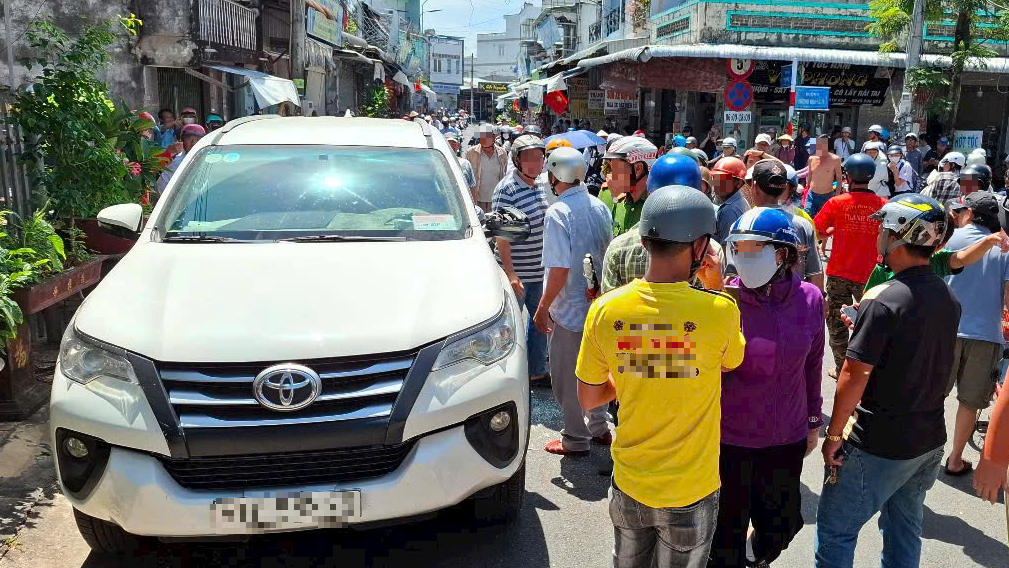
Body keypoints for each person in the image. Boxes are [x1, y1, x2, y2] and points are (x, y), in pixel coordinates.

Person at [576, 185, 745, 568]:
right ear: (701, 246)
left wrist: (635, 370)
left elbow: (588, 399)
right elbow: (730, 361)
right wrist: (716, 287)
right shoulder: (719, 310)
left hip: (631, 483)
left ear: (644, 238)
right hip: (691, 488)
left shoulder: (605, 309)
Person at [816, 194, 959, 568]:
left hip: (878, 442)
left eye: (883, 227)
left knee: (836, 533)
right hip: (928, 438)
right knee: (903, 530)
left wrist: (833, 438)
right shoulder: (946, 295)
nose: (878, 235)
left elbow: (853, 375)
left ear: (899, 234)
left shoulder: (883, 301)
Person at [711, 207, 824, 568]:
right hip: (728, 440)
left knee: (782, 526)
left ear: (782, 254)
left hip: (785, 438)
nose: (743, 256)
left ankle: (759, 555)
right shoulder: (721, 301)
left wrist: (812, 422)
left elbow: (814, 364)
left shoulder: (810, 299)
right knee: (724, 535)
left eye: (753, 247)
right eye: (737, 247)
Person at [533, 146, 612, 456]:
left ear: (555, 177)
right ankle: (599, 428)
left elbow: (560, 268)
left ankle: (575, 439)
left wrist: (542, 308)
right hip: (598, 306)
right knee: (598, 370)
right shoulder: (598, 205)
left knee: (567, 378)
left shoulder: (557, 213)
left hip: (568, 310)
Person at [942, 191, 1009, 478]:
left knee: (931, 396)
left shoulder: (949, 241)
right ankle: (955, 459)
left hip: (943, 331)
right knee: (969, 403)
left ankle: (922, 455)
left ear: (968, 213)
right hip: (986, 336)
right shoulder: (1005, 248)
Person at [601, 154, 725, 295]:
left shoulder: (618, 248)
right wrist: (716, 285)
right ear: (698, 194)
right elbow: (718, 311)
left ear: (649, 193)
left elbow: (610, 307)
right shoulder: (710, 253)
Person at [814, 153, 888, 378]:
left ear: (847, 176)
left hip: (839, 273)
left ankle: (841, 369)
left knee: (837, 324)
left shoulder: (837, 203)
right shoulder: (883, 205)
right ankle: (869, 371)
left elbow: (816, 229)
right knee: (872, 325)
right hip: (872, 276)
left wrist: (832, 231)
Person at [492, 135, 551, 384]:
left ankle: (536, 370)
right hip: (517, 271)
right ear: (517, 160)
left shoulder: (539, 184)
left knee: (539, 323)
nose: (536, 162)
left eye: (539, 157)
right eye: (529, 157)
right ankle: (507, 377)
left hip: (539, 269)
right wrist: (511, 274)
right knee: (509, 328)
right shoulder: (507, 190)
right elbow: (502, 238)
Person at [725, 160, 824, 291]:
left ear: (754, 186)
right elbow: (815, 274)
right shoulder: (803, 225)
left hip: (753, 306)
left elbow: (733, 277)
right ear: (784, 188)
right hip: (792, 303)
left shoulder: (743, 223)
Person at [601, 136, 659, 237]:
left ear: (638, 169)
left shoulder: (657, 209)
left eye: (616, 169)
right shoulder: (619, 203)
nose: (611, 176)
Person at [465, 124, 508, 212]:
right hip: (477, 200)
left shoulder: (502, 153)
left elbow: (504, 174)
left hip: (496, 199)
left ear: (494, 137)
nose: (484, 138)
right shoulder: (471, 153)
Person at [155, 124, 205, 194]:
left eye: (197, 139)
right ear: (182, 141)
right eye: (189, 139)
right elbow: (160, 188)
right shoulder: (176, 162)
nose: (193, 143)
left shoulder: (210, 160)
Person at [710, 156, 750, 245]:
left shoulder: (729, 210)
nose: (717, 183)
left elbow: (727, 249)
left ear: (739, 183)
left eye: (723, 179)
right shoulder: (741, 201)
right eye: (716, 177)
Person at [804, 136, 844, 218]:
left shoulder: (835, 159)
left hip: (827, 196)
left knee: (825, 221)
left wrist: (836, 195)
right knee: (807, 218)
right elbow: (810, 175)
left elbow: (839, 179)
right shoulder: (811, 159)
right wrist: (806, 188)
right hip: (812, 195)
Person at [446, 132, 477, 200]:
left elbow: (472, 187)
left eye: (454, 144)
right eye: (448, 144)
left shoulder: (465, 163)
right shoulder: (438, 163)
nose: (451, 146)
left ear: (458, 146)